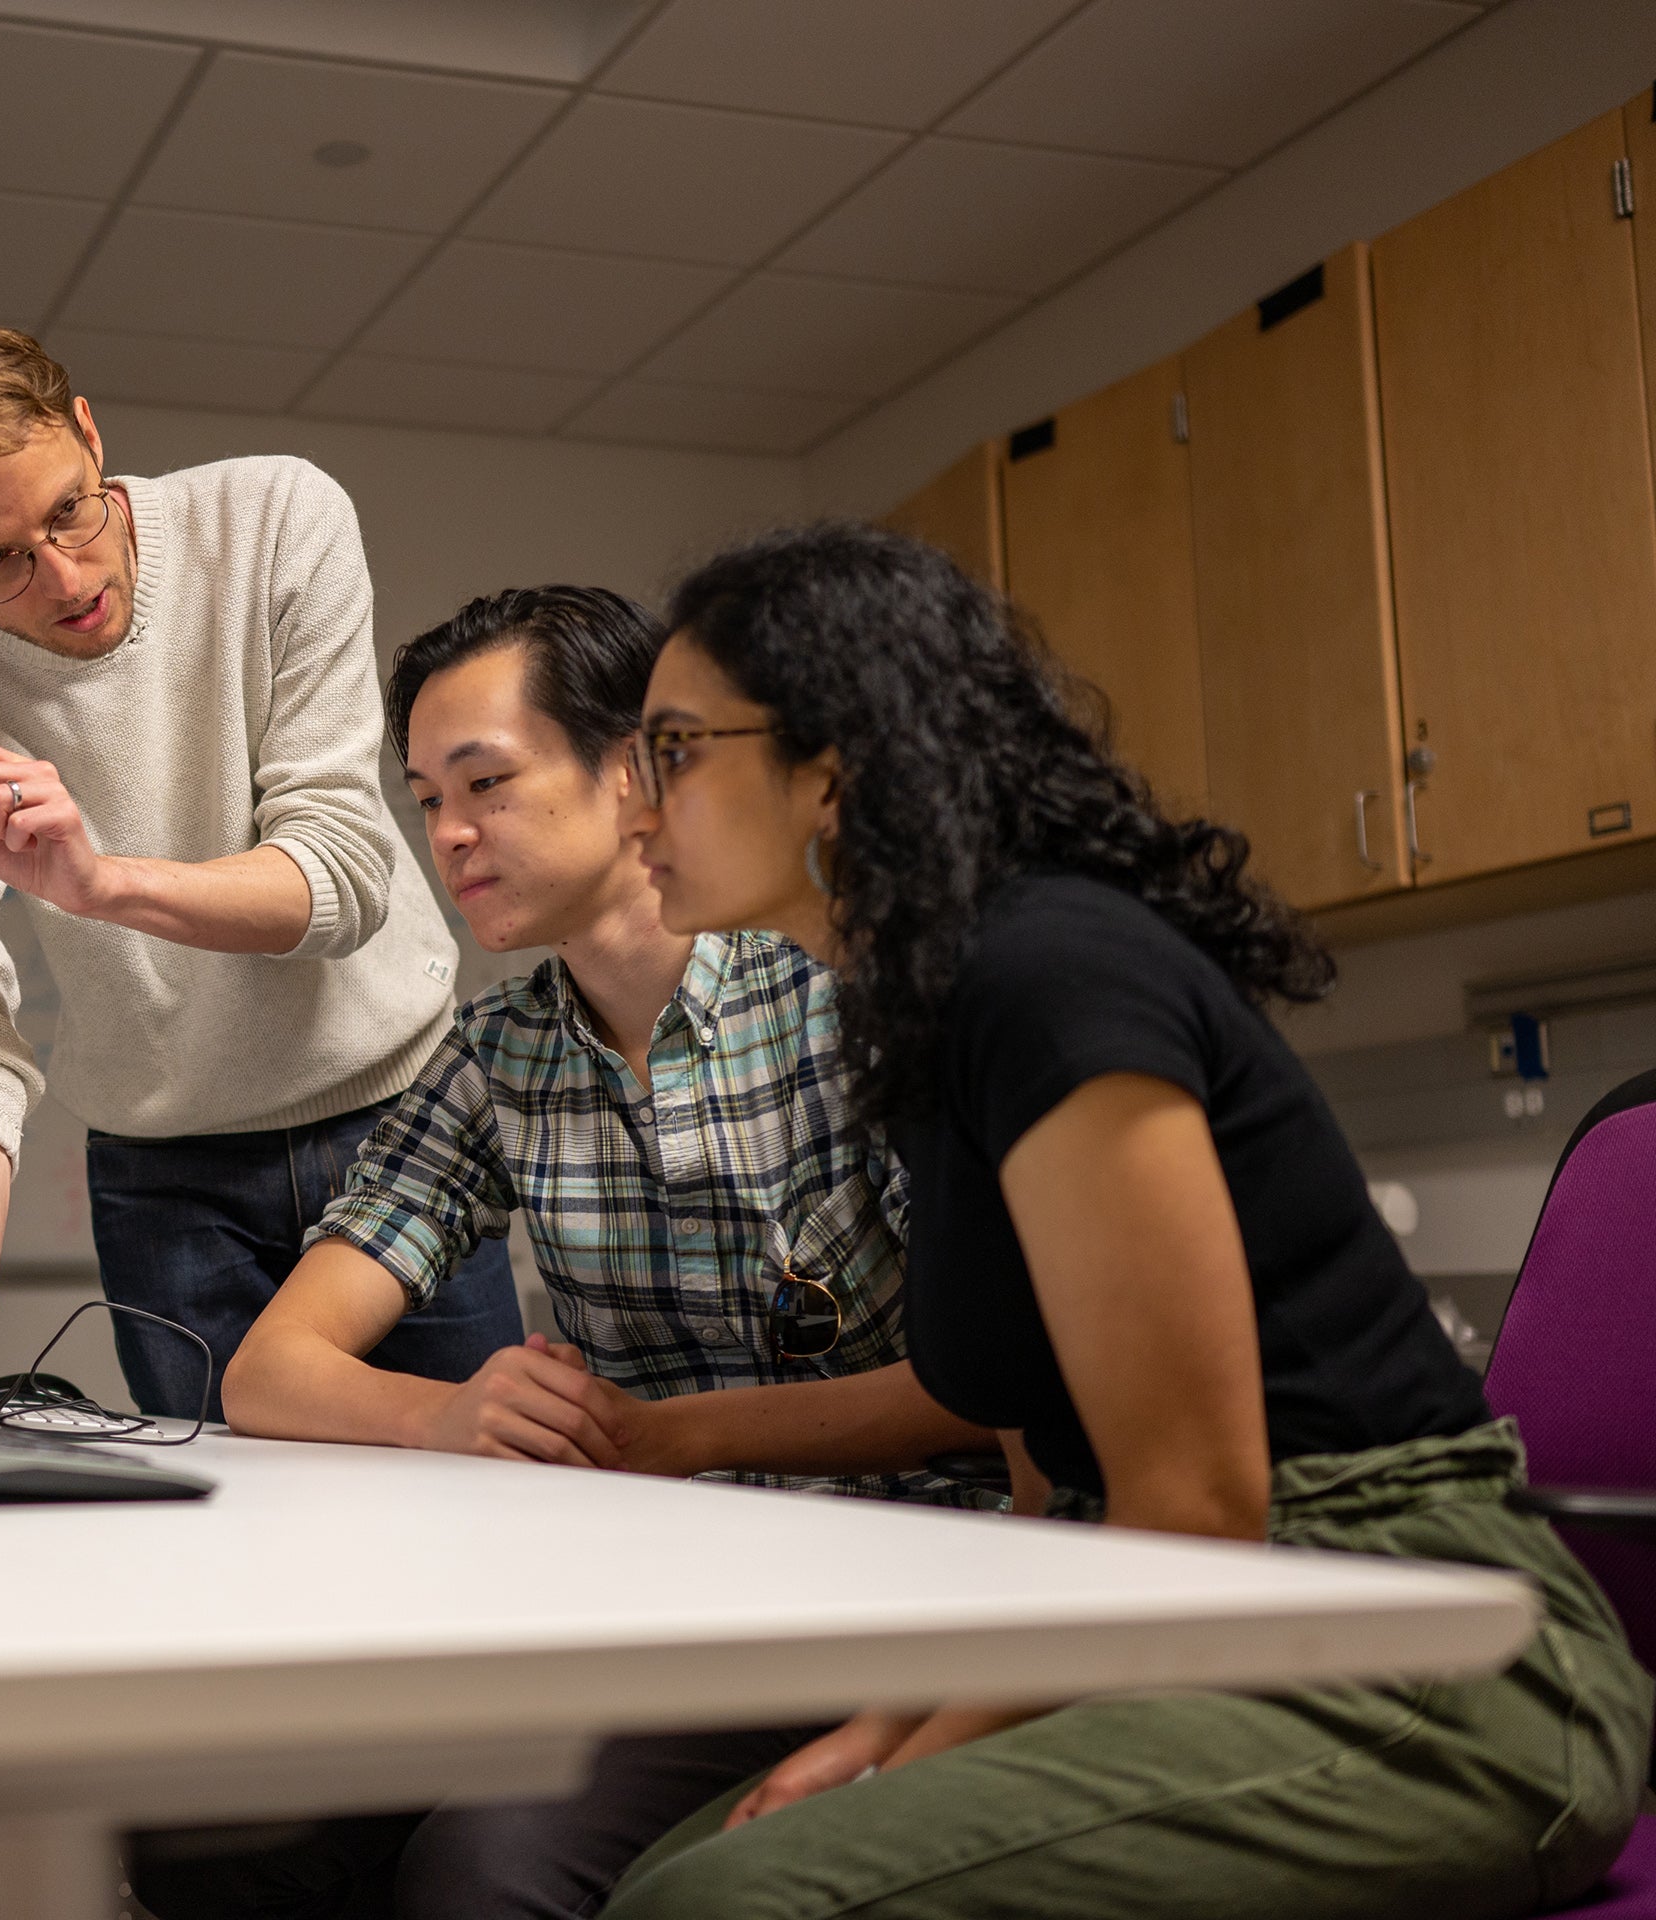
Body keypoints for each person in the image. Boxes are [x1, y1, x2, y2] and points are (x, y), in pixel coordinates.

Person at [592, 522, 1651, 1919]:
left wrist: (923, 1742)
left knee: (721, 1908)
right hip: (1198, 1613)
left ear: (831, 771)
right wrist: (892, 1728)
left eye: (673, 751)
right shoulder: (927, 1012)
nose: (636, 810)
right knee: (680, 1876)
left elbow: (1197, 1513)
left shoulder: (1045, 973)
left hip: (1429, 1650)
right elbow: (1058, 1494)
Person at [138, 586, 990, 1920]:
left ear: (634, 771)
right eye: (424, 799)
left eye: (485, 781)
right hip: (651, 1610)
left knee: (487, 1876)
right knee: (247, 1832)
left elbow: (985, 1388)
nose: (449, 835)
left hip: (899, 1594)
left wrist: (670, 1436)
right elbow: (272, 1368)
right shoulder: (503, 1050)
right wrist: (454, 1409)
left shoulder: (840, 1000)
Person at [0, 319, 518, 1423]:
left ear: (89, 432)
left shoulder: (276, 518)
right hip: (169, 1172)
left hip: (399, 1118)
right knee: (221, 1542)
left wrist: (104, 885)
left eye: (68, 508)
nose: (65, 575)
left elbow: (343, 879)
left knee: (484, 1514)